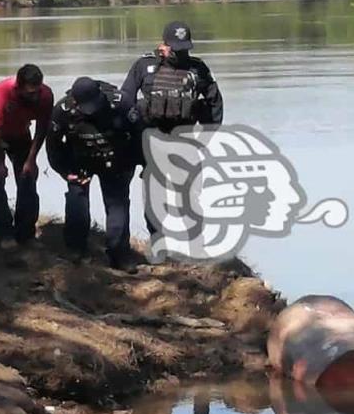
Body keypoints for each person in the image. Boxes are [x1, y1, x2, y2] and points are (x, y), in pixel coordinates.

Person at [121, 21, 224, 235]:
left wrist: (206, 138)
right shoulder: (144, 66)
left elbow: (214, 102)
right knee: (155, 194)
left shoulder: (198, 68)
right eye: (176, 48)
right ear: (164, 45)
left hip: (185, 140)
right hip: (152, 140)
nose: (181, 52)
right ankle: (158, 239)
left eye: (184, 48)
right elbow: (126, 99)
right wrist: (131, 134)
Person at [46, 76, 138, 271]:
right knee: (76, 201)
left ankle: (119, 254)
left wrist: (137, 163)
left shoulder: (121, 103)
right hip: (79, 162)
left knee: (117, 205)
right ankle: (76, 250)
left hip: (116, 161)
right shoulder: (62, 110)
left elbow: (140, 133)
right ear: (75, 102)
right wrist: (64, 172)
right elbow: (53, 146)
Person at [0, 64, 53, 246]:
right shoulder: (2, 93)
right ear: (19, 87)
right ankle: (3, 232)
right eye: (29, 93)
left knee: (27, 178)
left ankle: (26, 233)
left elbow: (42, 129)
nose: (34, 97)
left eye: (37, 92)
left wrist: (31, 160)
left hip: (19, 133)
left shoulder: (45, 96)